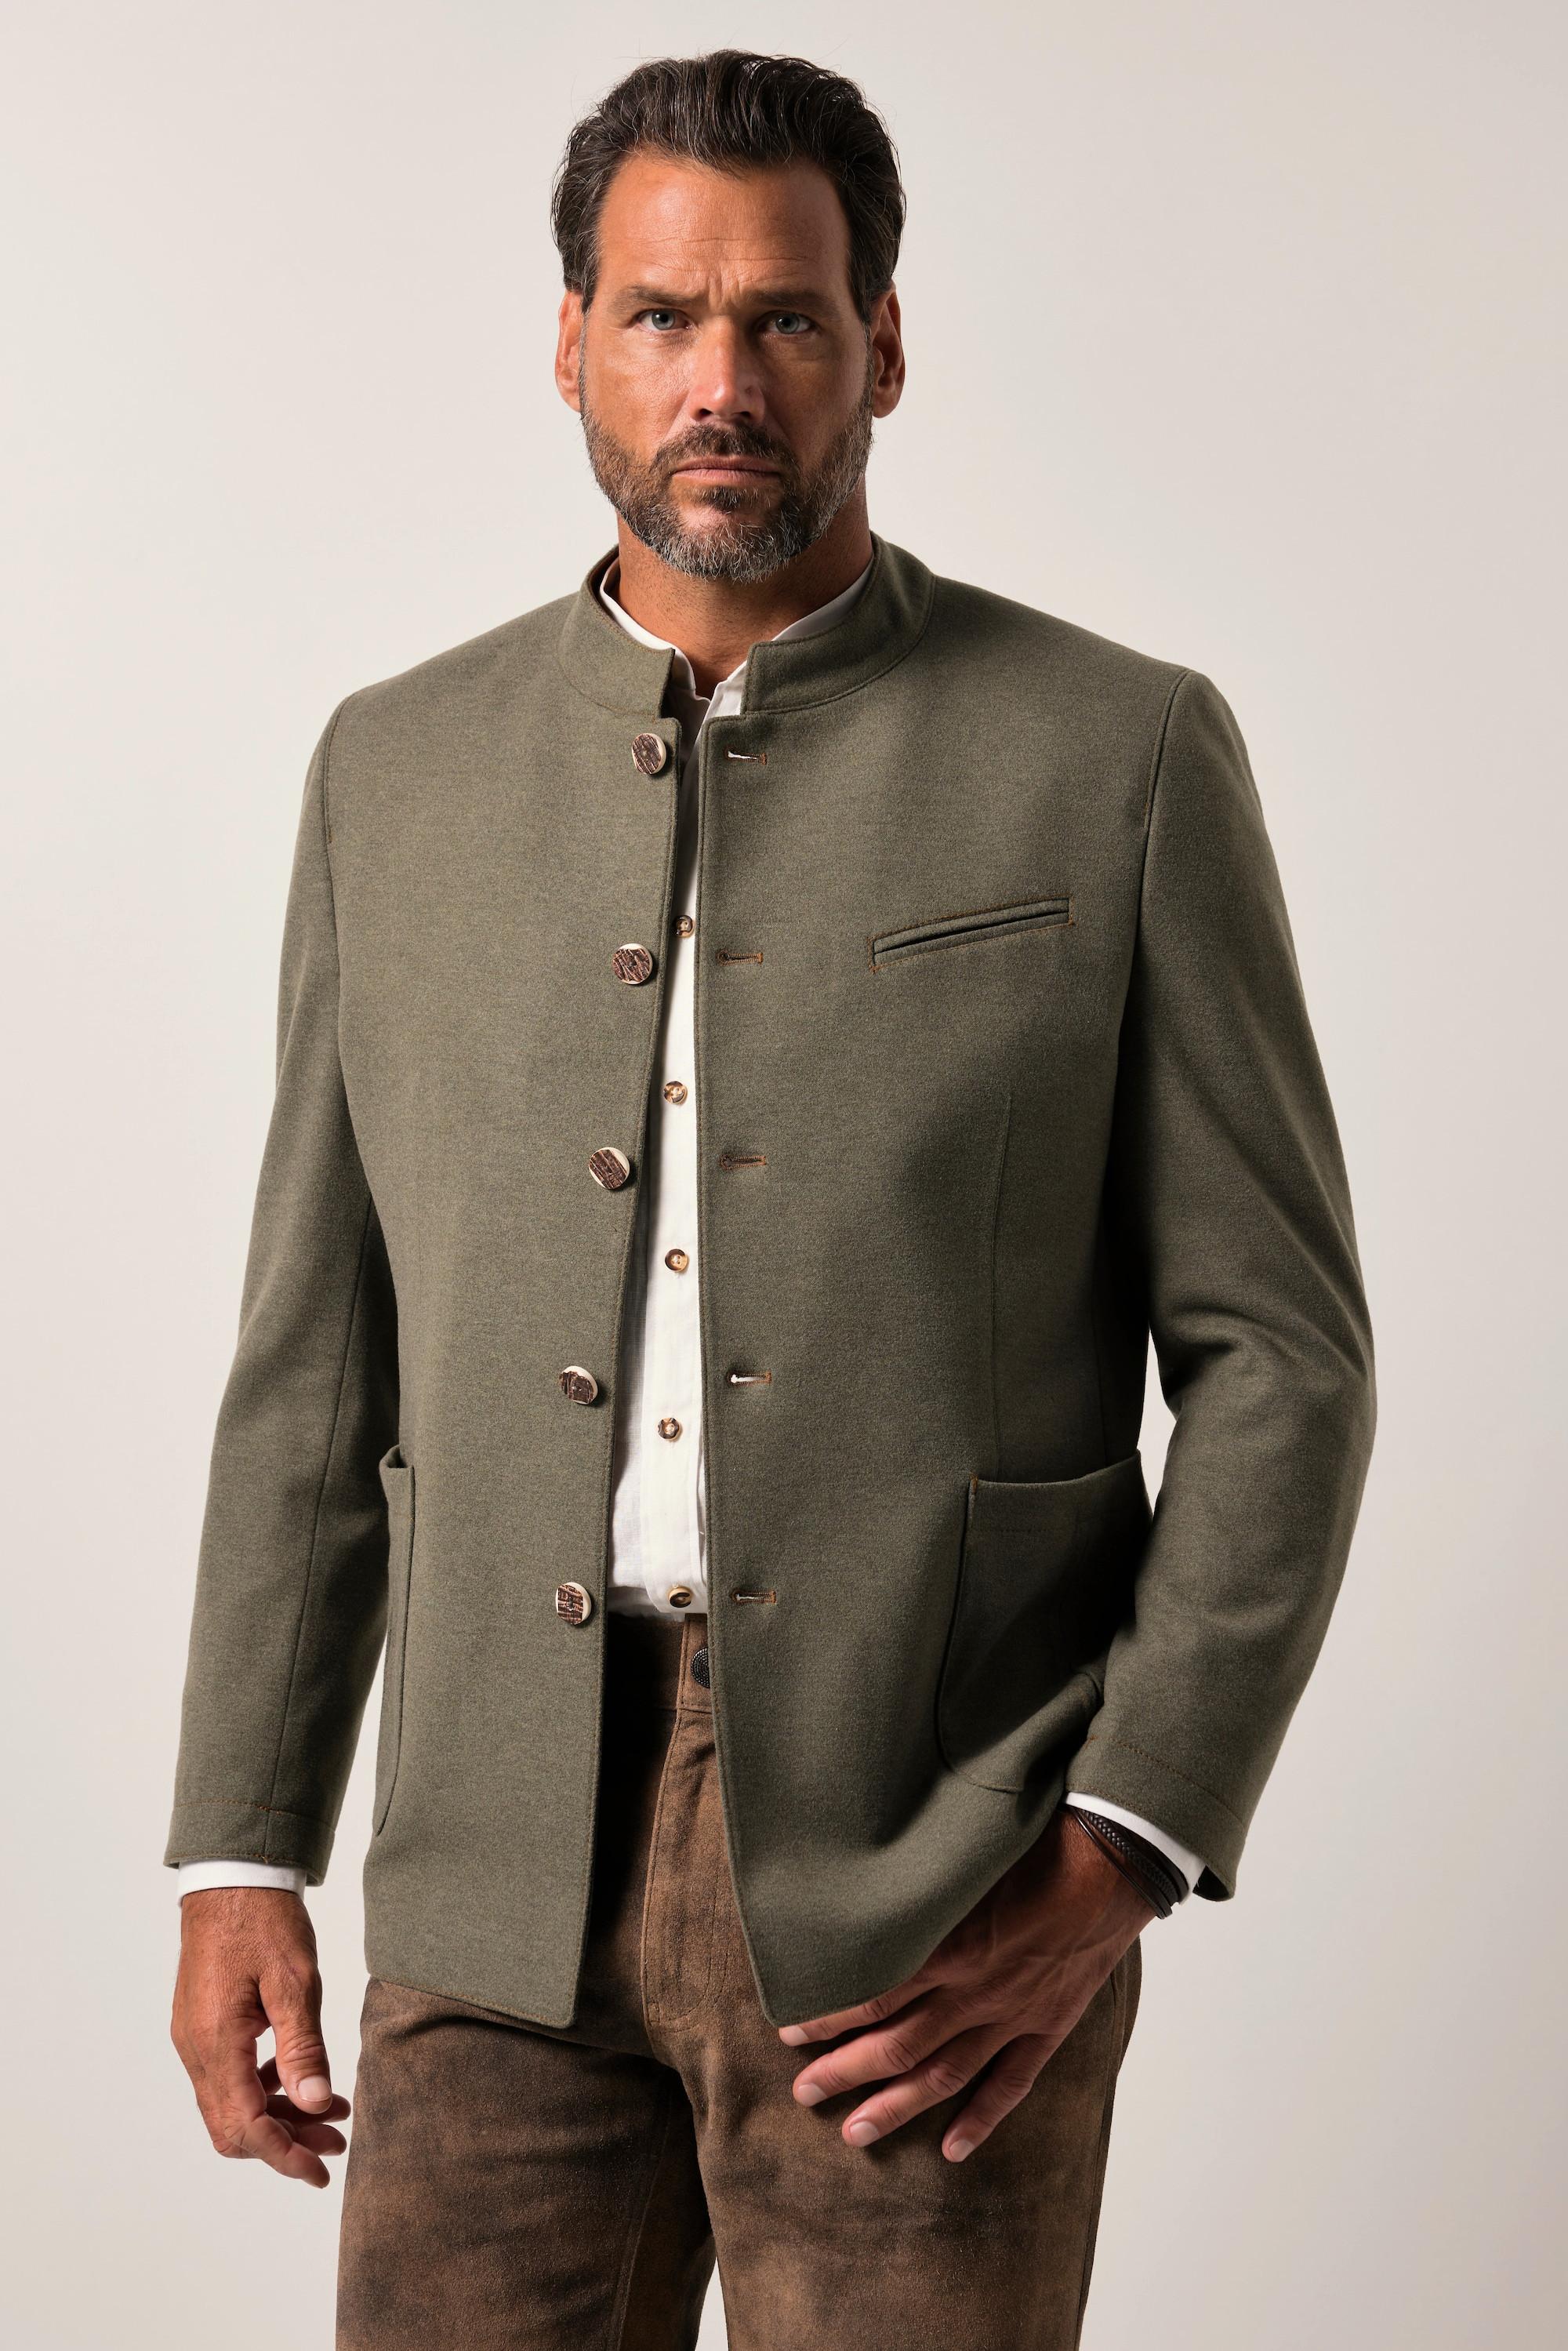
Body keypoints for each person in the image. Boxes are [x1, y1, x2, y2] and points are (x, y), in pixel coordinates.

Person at [165, 47, 1375, 2351]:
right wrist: (241, 1842)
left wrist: (1119, 1848)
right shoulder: (393, 773)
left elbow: (1281, 1356)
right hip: (487, 1856)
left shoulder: (1115, 754)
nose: (719, 381)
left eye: (785, 319)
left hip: (936, 1871)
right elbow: (316, 1357)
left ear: (882, 347)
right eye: (659, 315)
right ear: (570, 343)